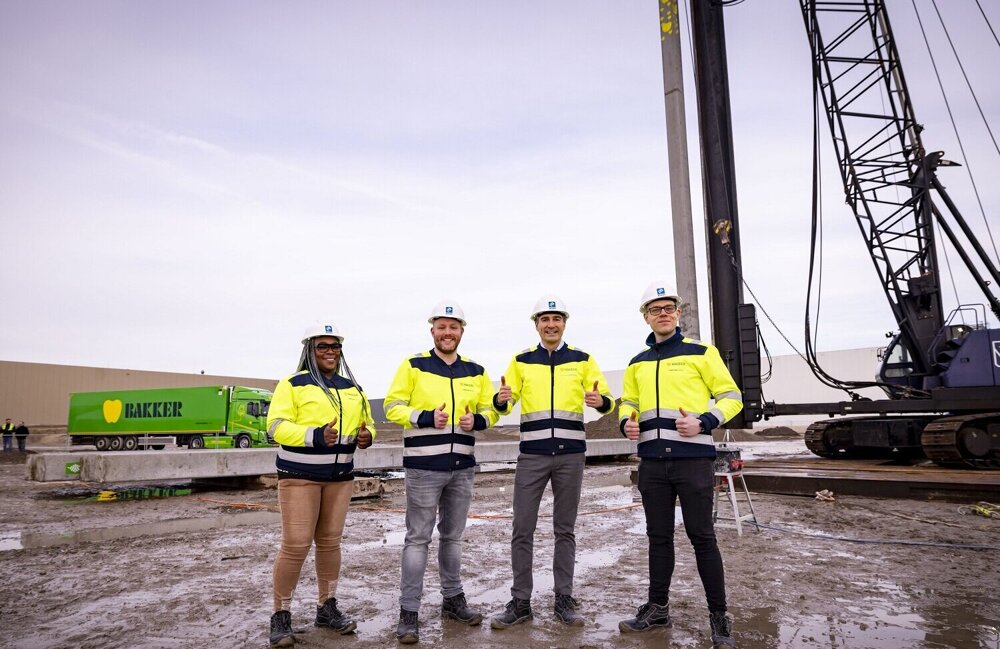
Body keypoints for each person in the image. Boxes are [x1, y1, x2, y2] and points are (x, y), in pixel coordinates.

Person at [618, 281, 743, 649]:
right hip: (653, 464)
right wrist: (626, 420)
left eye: (669, 307)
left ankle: (719, 618)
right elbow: (629, 402)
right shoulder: (637, 363)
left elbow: (732, 396)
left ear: (678, 313)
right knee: (658, 538)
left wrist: (705, 421)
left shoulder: (702, 352)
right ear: (645, 316)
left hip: (692, 462)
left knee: (702, 537)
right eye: (655, 309)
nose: (663, 313)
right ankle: (657, 608)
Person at [489, 295, 614, 629]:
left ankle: (563, 598)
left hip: (571, 455)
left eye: (556, 319)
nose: (551, 324)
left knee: (565, 529)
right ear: (536, 325)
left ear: (564, 323)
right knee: (522, 528)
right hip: (532, 455)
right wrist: (500, 401)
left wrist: (601, 401)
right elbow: (505, 401)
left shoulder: (583, 360)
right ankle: (520, 602)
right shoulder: (521, 360)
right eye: (545, 319)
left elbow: (607, 403)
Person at [384, 300, 501, 644]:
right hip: (423, 468)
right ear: (432, 330)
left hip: (462, 468)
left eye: (454, 327)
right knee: (418, 539)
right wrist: (422, 417)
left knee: (453, 538)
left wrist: (477, 420)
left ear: (462, 331)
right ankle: (409, 612)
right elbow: (392, 405)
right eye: (441, 327)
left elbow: (490, 412)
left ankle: (452, 600)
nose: (447, 333)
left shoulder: (476, 371)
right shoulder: (413, 365)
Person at [264, 321, 376, 648]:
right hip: (300, 477)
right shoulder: (293, 384)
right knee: (296, 544)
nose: (330, 352)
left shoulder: (352, 387)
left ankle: (326, 608)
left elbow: (366, 423)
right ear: (309, 350)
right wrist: (314, 435)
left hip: (340, 479)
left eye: (335, 346)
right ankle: (280, 615)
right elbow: (276, 427)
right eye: (322, 346)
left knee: (330, 543)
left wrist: (369, 436)